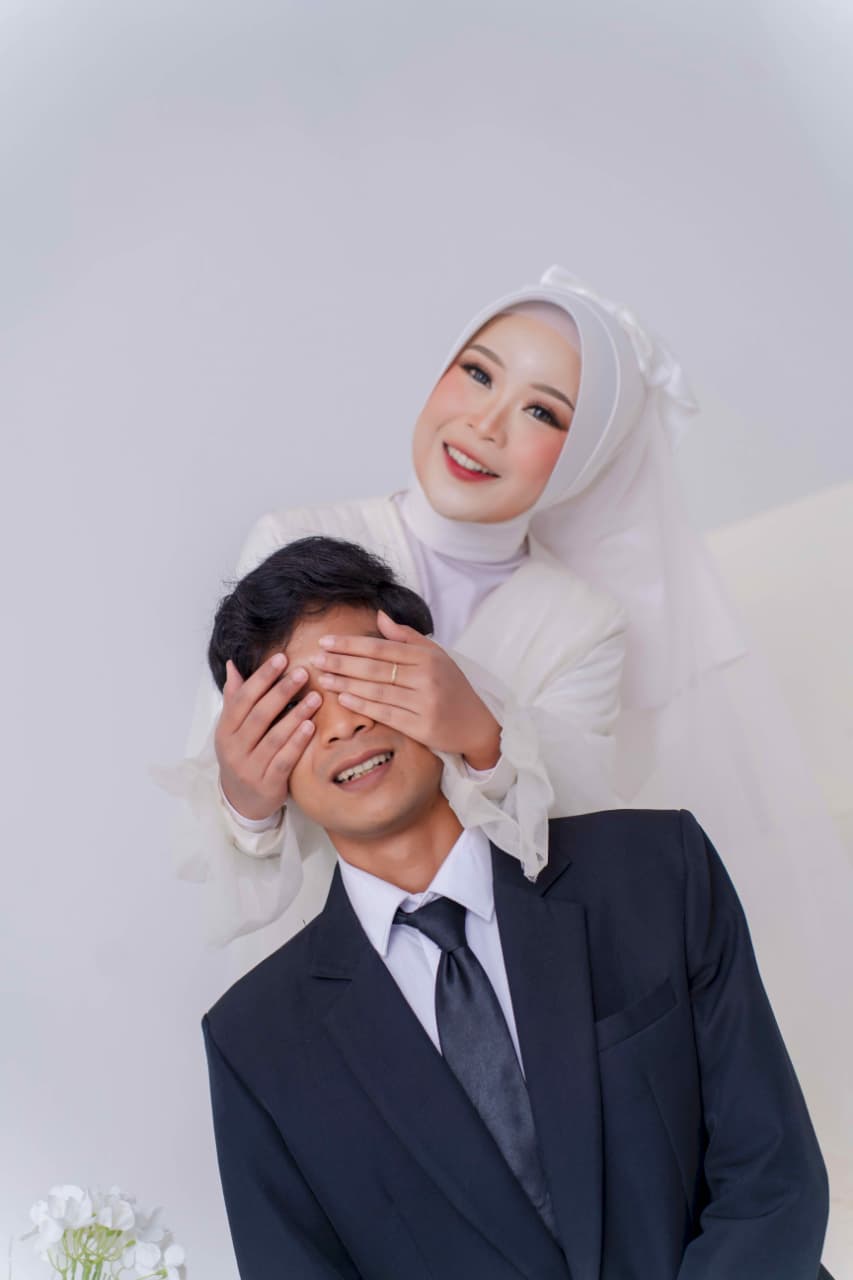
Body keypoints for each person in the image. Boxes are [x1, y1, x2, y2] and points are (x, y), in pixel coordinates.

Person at [166, 266, 851, 1243]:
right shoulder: (299, 541)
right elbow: (234, 843)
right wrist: (244, 790)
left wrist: (478, 729)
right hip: (356, 992)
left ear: (584, 457)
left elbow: (559, 850)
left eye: (542, 410)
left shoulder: (580, 622)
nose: (486, 424)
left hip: (528, 980)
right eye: (477, 372)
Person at [202, 536, 831, 1280]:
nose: (343, 725)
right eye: (296, 711)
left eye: (363, 680)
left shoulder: (658, 871)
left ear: (434, 672)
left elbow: (771, 1178)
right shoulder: (255, 1043)